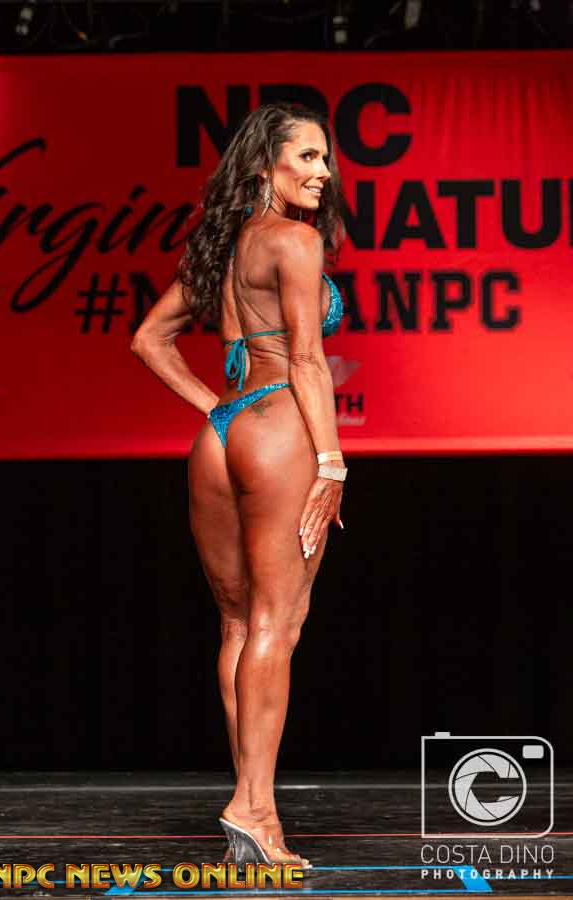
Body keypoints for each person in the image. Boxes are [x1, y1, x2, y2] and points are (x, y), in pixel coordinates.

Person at [131, 103, 347, 870]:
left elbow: (148, 338)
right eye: (308, 157)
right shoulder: (295, 240)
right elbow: (308, 361)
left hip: (222, 437)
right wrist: (331, 463)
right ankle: (253, 805)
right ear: (264, 164)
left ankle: (254, 805)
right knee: (275, 626)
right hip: (280, 428)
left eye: (326, 159)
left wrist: (215, 408)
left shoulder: (220, 248)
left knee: (237, 627)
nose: (323, 173)